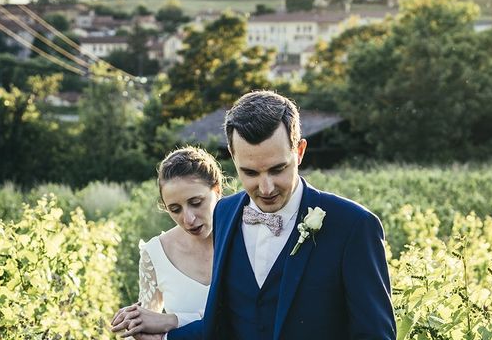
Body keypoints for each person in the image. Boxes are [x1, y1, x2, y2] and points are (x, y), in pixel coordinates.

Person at [140, 90, 396, 340]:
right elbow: (225, 322)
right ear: (233, 155)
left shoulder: (354, 226)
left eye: (277, 169)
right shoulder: (224, 213)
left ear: (299, 151)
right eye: (250, 172)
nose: (266, 188)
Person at [111, 146, 223, 338]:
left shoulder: (246, 237)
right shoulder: (155, 253)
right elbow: (146, 329)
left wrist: (172, 319)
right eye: (175, 209)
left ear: (217, 190)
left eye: (196, 203)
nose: (188, 219)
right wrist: (132, 324)